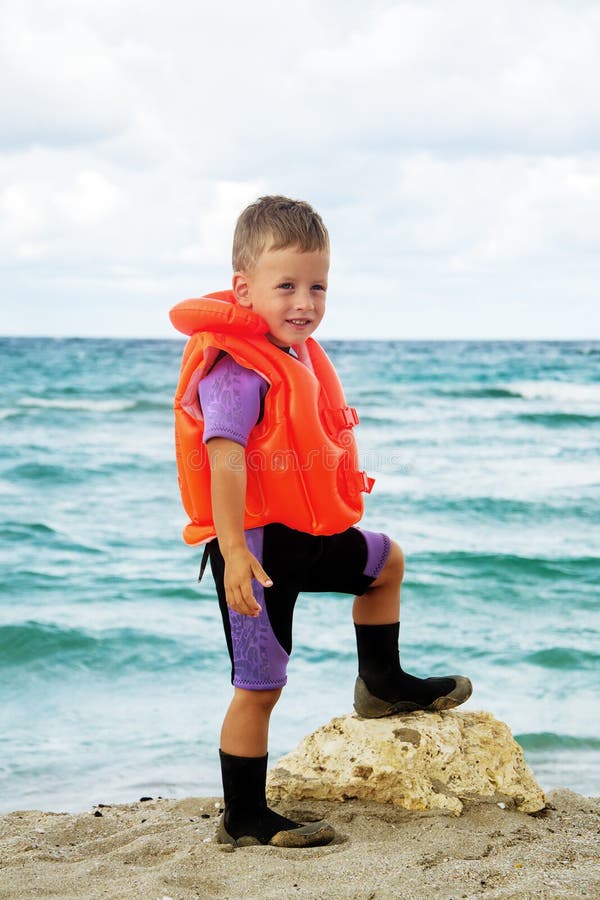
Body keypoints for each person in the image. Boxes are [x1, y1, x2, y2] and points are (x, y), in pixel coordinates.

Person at [170, 195, 472, 849]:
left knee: (384, 562)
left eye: (317, 286)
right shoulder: (235, 368)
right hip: (253, 546)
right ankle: (243, 817)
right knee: (259, 687)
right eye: (286, 287)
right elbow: (223, 462)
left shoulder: (299, 354)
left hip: (305, 535)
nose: (304, 301)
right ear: (245, 289)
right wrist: (233, 554)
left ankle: (381, 683)